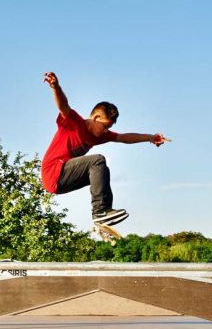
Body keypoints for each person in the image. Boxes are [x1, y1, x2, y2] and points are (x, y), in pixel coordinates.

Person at [40, 71, 170, 226]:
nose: (105, 131)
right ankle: (100, 211)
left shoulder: (100, 135)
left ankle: (103, 217)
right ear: (95, 118)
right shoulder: (74, 122)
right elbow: (63, 105)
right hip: (53, 172)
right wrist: (55, 87)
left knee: (102, 170)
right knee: (97, 160)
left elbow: (123, 137)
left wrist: (150, 137)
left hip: (60, 183)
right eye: (104, 126)